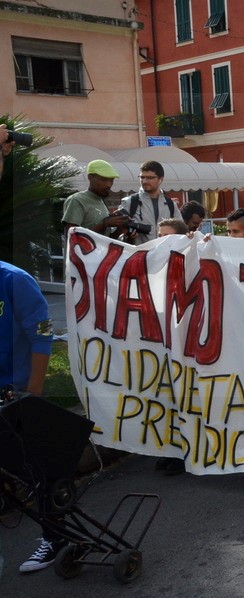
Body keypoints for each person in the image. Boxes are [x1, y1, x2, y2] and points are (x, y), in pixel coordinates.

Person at [1, 261, 58, 571]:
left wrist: (33, 392)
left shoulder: (14, 280)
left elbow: (43, 331)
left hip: (18, 392)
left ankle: (55, 537)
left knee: (39, 471)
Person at [61, 159, 131, 239]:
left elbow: (104, 239)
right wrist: (104, 224)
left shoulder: (100, 200)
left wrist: (120, 229)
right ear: (90, 177)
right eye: (103, 179)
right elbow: (72, 237)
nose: (108, 185)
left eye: (111, 180)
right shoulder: (77, 200)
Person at [118, 161, 183, 244]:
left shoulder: (171, 205)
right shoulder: (129, 202)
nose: (145, 181)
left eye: (150, 178)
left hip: (164, 251)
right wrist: (127, 236)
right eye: (142, 177)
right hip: (139, 251)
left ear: (161, 179)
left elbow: (182, 231)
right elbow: (116, 235)